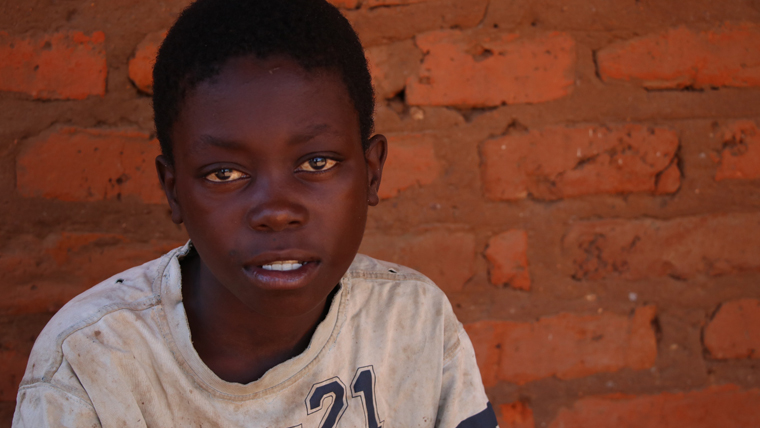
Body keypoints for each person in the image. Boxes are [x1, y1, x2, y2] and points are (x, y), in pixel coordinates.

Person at [13, 0, 498, 426]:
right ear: (174, 189)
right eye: (224, 173)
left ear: (371, 174)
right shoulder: (90, 360)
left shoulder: (412, 323)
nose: (276, 212)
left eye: (316, 163)